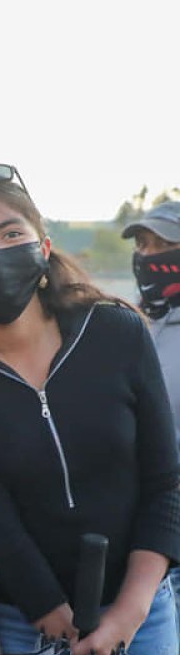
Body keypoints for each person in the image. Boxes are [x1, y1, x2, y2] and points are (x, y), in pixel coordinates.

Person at [0, 163, 180, 655]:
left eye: (11, 233)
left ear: (45, 248)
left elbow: (165, 482)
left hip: (142, 613)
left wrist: (131, 610)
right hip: (24, 622)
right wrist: (45, 607)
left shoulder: (117, 331)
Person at [121, 200, 180, 628]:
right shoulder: (129, 322)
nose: (149, 254)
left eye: (164, 244)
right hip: (145, 536)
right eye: (143, 243)